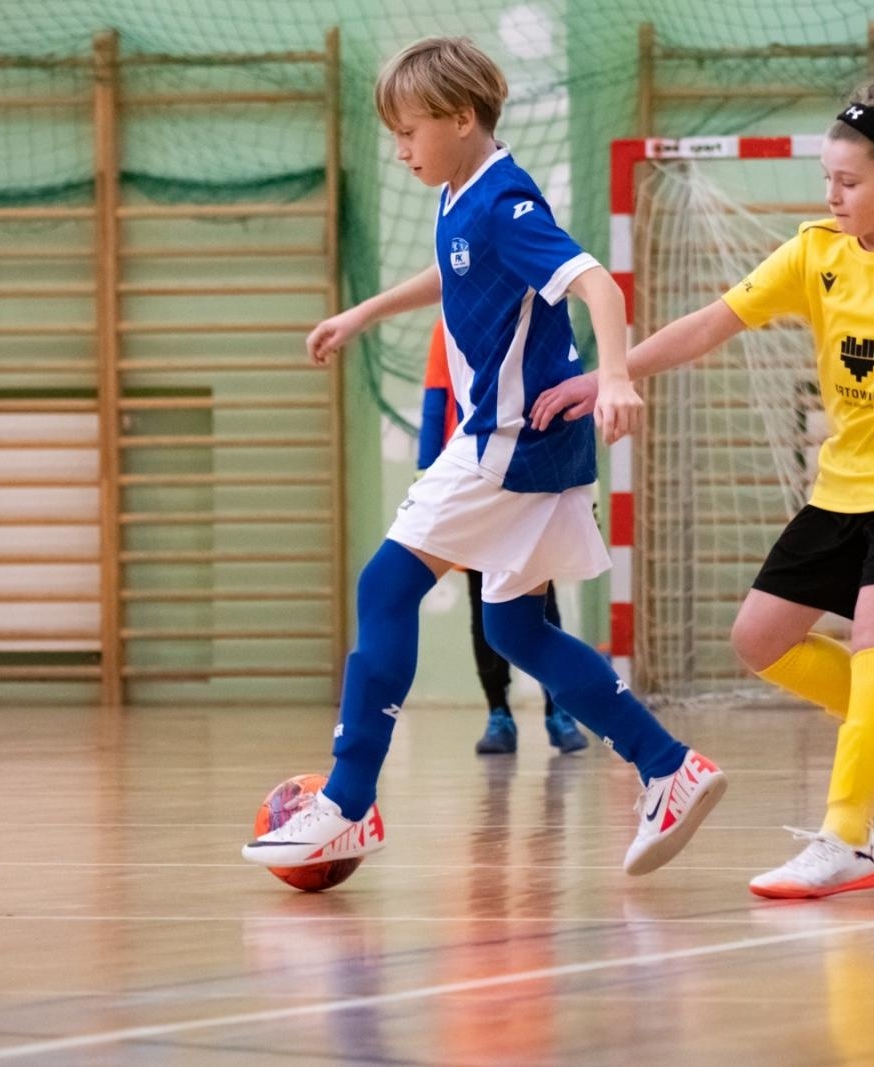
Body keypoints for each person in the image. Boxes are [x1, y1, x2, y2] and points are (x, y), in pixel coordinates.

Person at [531, 75, 874, 898]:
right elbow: (708, 325)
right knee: (758, 641)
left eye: (849, 182)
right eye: (826, 177)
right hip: (841, 485)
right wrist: (606, 371)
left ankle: (848, 840)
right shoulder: (813, 253)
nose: (832, 194)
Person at [244, 37, 725, 877]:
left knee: (385, 585)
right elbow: (453, 273)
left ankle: (347, 804)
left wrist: (614, 375)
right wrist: (363, 312)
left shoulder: (506, 203)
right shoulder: (460, 194)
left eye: (409, 132)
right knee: (513, 627)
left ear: (462, 119)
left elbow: (598, 287)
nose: (400, 151)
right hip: (530, 443)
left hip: (510, 440)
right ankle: (667, 765)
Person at [416, 319, 588, 755]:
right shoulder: (450, 322)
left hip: (528, 470)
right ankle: (499, 714)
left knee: (539, 599)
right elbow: (436, 399)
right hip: (473, 474)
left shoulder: (534, 316)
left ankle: (558, 709)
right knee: (481, 602)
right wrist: (426, 474)